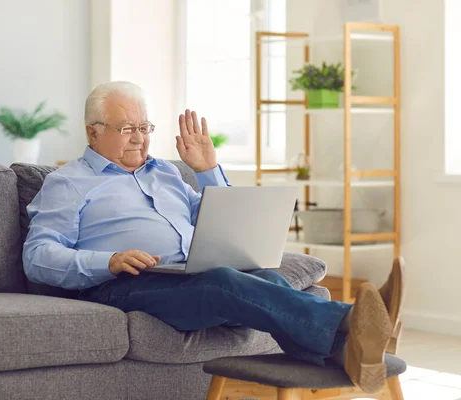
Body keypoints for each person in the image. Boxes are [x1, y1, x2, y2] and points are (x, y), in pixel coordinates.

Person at [23, 81, 404, 394]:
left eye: (144, 128)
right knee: (222, 284)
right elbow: (38, 255)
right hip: (121, 284)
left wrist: (207, 170)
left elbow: (213, 218)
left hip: (185, 274)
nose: (139, 139)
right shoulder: (68, 182)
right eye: (127, 129)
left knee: (265, 278)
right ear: (93, 131)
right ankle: (358, 319)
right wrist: (107, 260)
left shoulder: (167, 174)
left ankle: (350, 354)